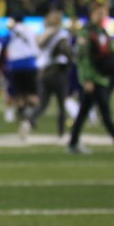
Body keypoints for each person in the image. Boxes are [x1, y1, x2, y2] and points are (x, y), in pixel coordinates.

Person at [66, 3, 114, 156]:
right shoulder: (86, 33)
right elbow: (83, 58)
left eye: (104, 13)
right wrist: (87, 79)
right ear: (92, 13)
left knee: (83, 113)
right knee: (105, 113)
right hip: (94, 80)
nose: (102, 16)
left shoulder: (103, 32)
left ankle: (73, 143)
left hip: (102, 78)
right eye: (99, 13)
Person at [30, 10, 73, 138]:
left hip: (43, 72)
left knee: (43, 103)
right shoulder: (61, 35)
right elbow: (67, 53)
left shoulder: (42, 35)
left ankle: (30, 120)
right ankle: (61, 132)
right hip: (57, 72)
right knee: (61, 104)